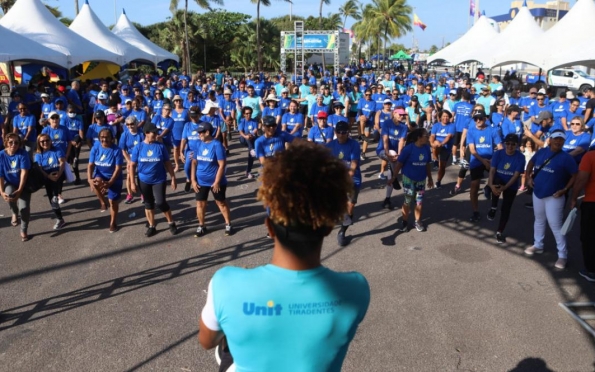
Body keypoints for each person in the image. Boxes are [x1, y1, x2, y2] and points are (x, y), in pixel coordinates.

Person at [198, 141, 370, 371]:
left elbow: (207, 341)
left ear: (269, 227)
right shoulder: (356, 289)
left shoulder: (225, 283)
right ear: (328, 226)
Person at [525, 130, 578, 269]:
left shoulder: (566, 158)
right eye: (556, 139)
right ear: (550, 139)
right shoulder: (541, 152)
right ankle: (538, 245)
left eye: (561, 140)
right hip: (538, 193)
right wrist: (529, 178)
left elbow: (575, 175)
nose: (558, 141)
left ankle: (562, 255)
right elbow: (530, 163)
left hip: (554, 196)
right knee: (539, 220)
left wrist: (565, 189)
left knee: (556, 226)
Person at [130, 123, 178, 237]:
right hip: (143, 179)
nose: (156, 134)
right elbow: (132, 165)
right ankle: (152, 226)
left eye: (157, 132)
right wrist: (132, 182)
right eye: (154, 132)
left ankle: (171, 222)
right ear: (146, 133)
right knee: (148, 203)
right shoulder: (139, 147)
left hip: (159, 179)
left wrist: (173, 178)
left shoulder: (160, 147)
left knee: (161, 202)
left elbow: (167, 163)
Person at [388, 128, 434, 232]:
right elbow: (399, 164)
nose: (428, 138)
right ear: (419, 138)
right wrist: (394, 177)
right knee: (408, 201)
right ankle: (404, 222)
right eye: (426, 136)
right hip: (408, 179)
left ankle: (417, 221)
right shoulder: (408, 149)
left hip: (421, 179)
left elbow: (427, 164)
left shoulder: (427, 148)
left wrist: (430, 178)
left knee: (419, 201)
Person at [191, 122, 232, 237]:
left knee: (221, 202)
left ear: (207, 132)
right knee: (200, 204)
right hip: (201, 181)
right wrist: (193, 180)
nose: (199, 135)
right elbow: (194, 162)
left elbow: (222, 164)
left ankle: (228, 224)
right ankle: (201, 225)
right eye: (198, 133)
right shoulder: (198, 144)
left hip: (216, 182)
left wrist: (217, 182)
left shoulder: (217, 145)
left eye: (201, 132)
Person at [326, 121, 362, 246]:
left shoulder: (354, 145)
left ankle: (342, 231)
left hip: (353, 179)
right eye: (339, 132)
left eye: (344, 132)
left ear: (348, 133)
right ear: (335, 133)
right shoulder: (330, 145)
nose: (341, 135)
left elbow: (353, 164)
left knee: (350, 207)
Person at [487, 134, 526, 243]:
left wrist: (505, 188)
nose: (510, 146)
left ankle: (499, 231)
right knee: (496, 182)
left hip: (511, 185)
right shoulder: (498, 153)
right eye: (507, 143)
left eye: (513, 144)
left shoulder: (520, 157)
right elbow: (492, 170)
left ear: (517, 145)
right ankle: (493, 207)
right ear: (504, 144)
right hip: (498, 181)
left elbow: (516, 175)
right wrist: (490, 184)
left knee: (506, 209)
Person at [465, 110, 503, 221]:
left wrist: (493, 160)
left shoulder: (493, 130)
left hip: (491, 160)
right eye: (475, 119)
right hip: (477, 160)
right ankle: (475, 212)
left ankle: (493, 206)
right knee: (474, 186)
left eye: (480, 118)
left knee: (496, 183)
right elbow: (472, 150)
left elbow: (500, 147)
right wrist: (483, 161)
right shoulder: (471, 131)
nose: (478, 120)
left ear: (485, 118)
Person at [87, 129, 123, 232]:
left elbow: (118, 168)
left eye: (107, 137)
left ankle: (113, 222)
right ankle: (103, 201)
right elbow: (90, 165)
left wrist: (110, 182)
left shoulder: (116, 150)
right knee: (95, 182)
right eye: (102, 137)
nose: (104, 139)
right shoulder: (95, 148)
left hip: (114, 178)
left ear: (112, 138)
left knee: (113, 202)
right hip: (100, 175)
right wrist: (89, 179)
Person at [0, 133, 31, 241]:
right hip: (9, 182)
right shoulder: (1, 155)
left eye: (17, 142)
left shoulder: (23, 154)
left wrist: (20, 190)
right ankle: (14, 212)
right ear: (6, 143)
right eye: (11, 142)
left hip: (24, 184)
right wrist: (1, 191)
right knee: (9, 196)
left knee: (25, 208)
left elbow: (24, 173)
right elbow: (0, 175)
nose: (14, 144)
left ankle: (23, 230)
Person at [570, 149, 595, 282]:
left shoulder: (590, 156)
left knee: (589, 237)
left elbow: (581, 179)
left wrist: (574, 198)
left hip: (592, 202)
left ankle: (591, 270)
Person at [35, 133, 67, 230]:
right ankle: (60, 219)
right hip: (47, 178)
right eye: (42, 141)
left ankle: (59, 218)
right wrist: (48, 176)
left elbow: (62, 161)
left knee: (54, 198)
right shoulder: (38, 154)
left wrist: (59, 174)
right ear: (39, 143)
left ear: (50, 141)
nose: (45, 142)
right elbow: (39, 168)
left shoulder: (57, 149)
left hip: (58, 176)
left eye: (47, 140)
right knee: (52, 201)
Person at [119, 116, 145, 204]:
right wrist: (129, 161)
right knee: (129, 176)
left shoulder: (141, 133)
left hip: (141, 157)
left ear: (136, 123)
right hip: (130, 157)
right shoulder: (124, 134)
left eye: (132, 124)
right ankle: (129, 195)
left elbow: (144, 146)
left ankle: (143, 194)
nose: (130, 126)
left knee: (141, 177)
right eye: (128, 124)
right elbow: (123, 149)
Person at [430, 110, 455, 188]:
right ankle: (435, 159)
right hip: (436, 146)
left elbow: (448, 137)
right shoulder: (436, 125)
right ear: (440, 117)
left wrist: (442, 144)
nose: (445, 118)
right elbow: (432, 136)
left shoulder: (452, 126)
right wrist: (432, 143)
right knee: (436, 142)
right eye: (444, 116)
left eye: (447, 116)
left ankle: (438, 181)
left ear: (450, 117)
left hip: (446, 147)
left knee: (442, 167)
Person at [238, 107, 259, 179]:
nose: (248, 115)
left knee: (251, 156)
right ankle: (251, 149)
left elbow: (256, 129)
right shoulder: (242, 121)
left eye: (250, 113)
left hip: (252, 138)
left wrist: (251, 134)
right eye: (246, 113)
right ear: (244, 114)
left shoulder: (254, 121)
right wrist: (246, 136)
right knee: (247, 133)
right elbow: (241, 132)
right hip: (243, 139)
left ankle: (248, 171)